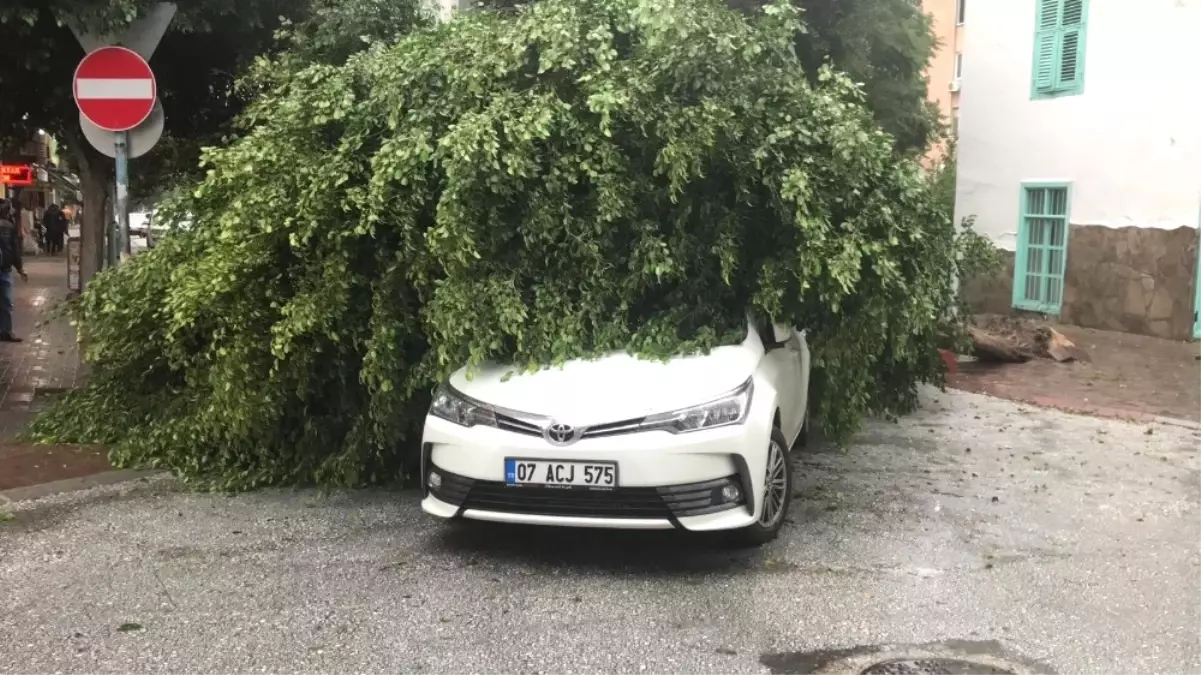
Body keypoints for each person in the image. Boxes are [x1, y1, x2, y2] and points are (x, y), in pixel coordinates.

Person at [0, 200, 29, 343]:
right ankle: (6, 331)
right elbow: (14, 250)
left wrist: (20, 268)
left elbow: (14, 250)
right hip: (5, 269)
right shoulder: (9, 226)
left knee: (6, 302)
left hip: (5, 269)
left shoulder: (9, 227)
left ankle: (6, 331)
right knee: (6, 302)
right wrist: (20, 269)